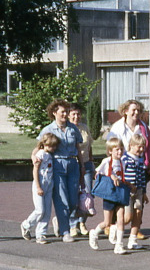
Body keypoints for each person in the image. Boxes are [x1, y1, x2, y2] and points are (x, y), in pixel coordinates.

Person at [37, 99, 84, 242]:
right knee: (61, 199)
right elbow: (39, 147)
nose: (65, 114)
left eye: (66, 111)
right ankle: (65, 232)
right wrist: (35, 157)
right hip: (57, 165)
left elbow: (78, 148)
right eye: (62, 111)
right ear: (54, 113)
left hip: (72, 164)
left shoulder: (73, 128)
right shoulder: (48, 130)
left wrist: (82, 166)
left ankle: (60, 220)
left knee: (73, 201)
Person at [88, 138, 128, 255]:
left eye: (121, 149)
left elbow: (122, 177)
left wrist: (128, 183)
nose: (119, 152)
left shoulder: (122, 162)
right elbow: (97, 173)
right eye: (116, 150)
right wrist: (111, 176)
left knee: (120, 218)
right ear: (110, 151)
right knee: (107, 222)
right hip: (110, 195)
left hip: (119, 194)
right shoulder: (107, 161)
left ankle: (119, 245)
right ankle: (94, 233)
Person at [21, 133, 60, 244]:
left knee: (47, 211)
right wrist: (38, 186)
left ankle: (41, 234)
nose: (53, 148)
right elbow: (35, 171)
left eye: (54, 146)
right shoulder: (41, 154)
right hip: (40, 184)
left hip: (49, 184)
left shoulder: (50, 155)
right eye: (50, 146)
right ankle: (26, 225)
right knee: (40, 210)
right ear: (44, 145)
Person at [107, 99, 150, 182]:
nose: (136, 112)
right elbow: (110, 147)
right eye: (133, 110)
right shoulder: (117, 128)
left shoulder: (144, 128)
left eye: (138, 110)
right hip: (123, 168)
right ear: (126, 111)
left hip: (140, 167)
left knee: (140, 192)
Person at [68, 103, 94, 236]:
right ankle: (73, 224)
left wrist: (91, 163)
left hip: (86, 164)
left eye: (78, 114)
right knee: (73, 195)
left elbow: (89, 146)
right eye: (73, 114)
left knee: (88, 194)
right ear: (68, 115)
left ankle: (82, 222)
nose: (76, 116)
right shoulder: (67, 129)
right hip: (73, 165)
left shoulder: (84, 128)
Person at [122, 134, 150, 250]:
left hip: (138, 190)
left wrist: (143, 192)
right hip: (128, 191)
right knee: (128, 216)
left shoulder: (141, 160)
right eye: (139, 147)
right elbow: (121, 175)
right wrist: (127, 185)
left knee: (138, 213)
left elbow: (142, 177)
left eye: (143, 147)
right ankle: (114, 226)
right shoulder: (125, 159)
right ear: (131, 145)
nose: (141, 150)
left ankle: (132, 239)